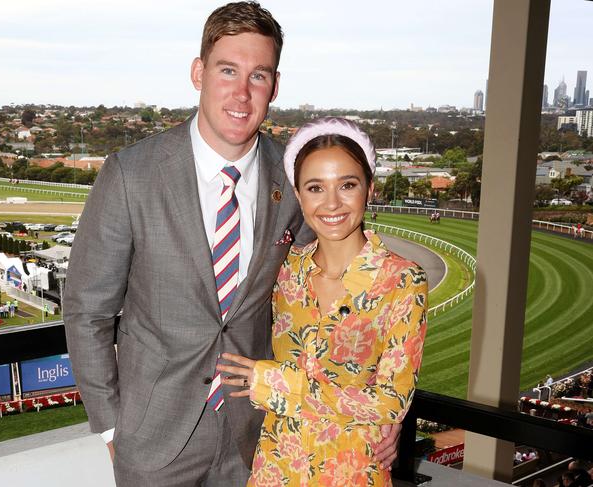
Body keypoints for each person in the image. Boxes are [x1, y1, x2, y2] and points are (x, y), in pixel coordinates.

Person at [63, 4, 402, 486]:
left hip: (259, 437)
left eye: (258, 76)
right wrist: (113, 427)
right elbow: (87, 311)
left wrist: (382, 411)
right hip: (152, 440)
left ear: (275, 86)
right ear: (199, 73)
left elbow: (335, 308)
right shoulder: (130, 174)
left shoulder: (293, 177)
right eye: (228, 71)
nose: (242, 94)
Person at [218, 118, 428, 486]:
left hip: (352, 470)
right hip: (276, 468)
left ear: (370, 189)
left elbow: (391, 401)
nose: (332, 203)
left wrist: (274, 382)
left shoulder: (402, 281)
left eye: (347, 185)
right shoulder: (285, 272)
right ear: (299, 196)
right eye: (316, 188)